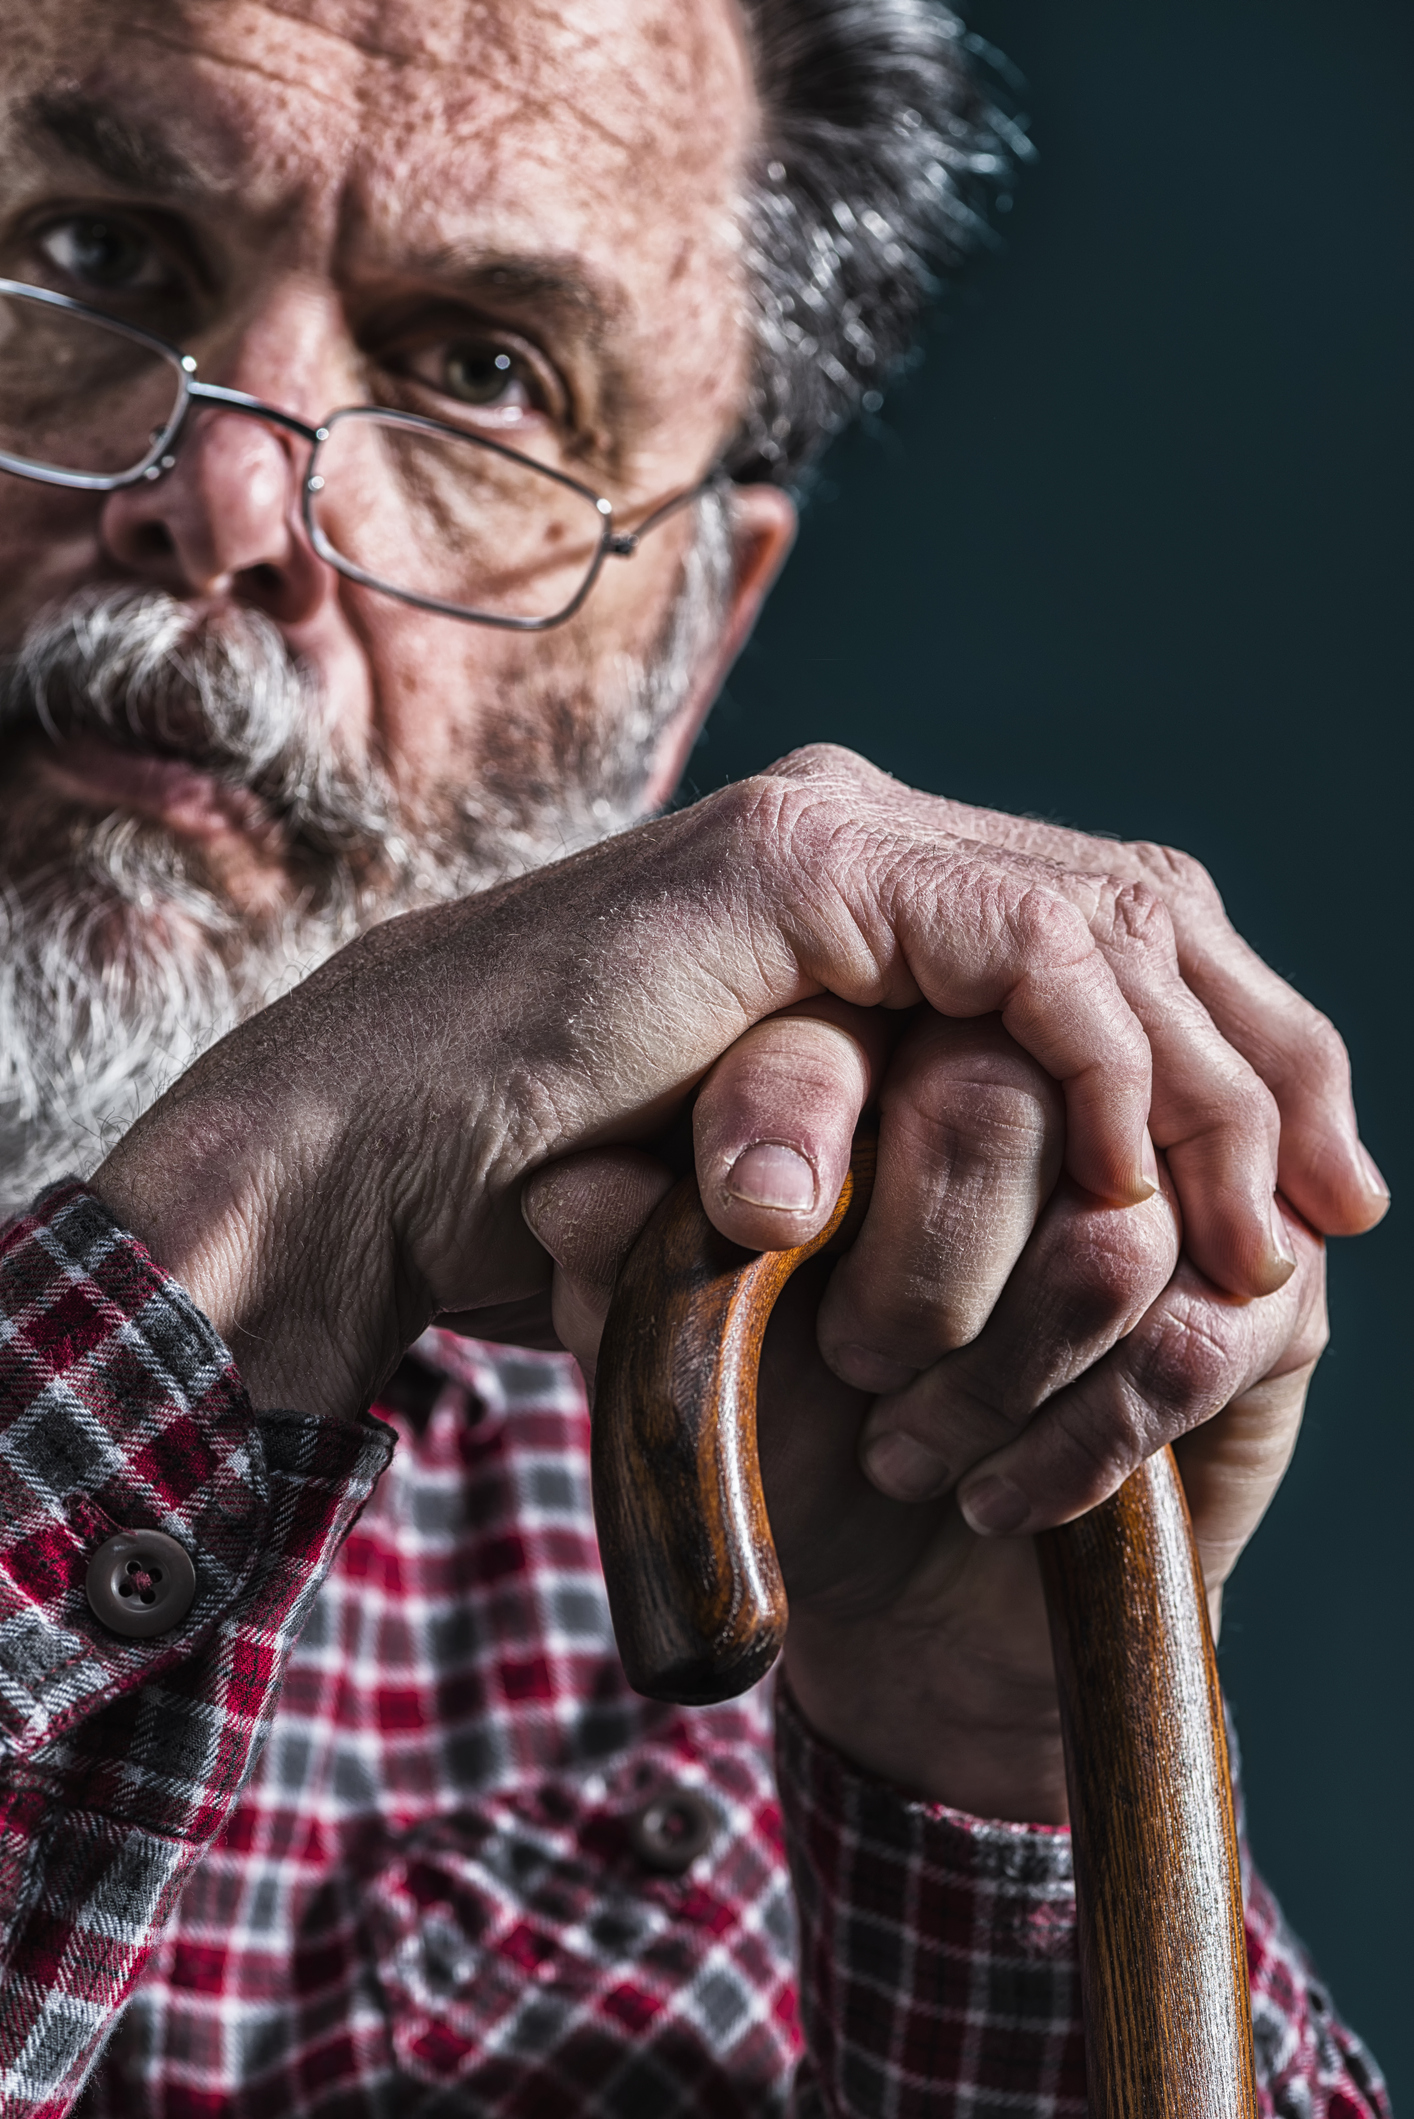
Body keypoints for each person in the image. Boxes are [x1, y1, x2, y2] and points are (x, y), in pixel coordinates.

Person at [0, 0, 1391, 2112]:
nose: (230, 501)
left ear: (689, 659)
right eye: (95, 254)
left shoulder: (730, 1476)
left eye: (482, 374)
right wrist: (256, 1221)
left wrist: (1020, 1780)